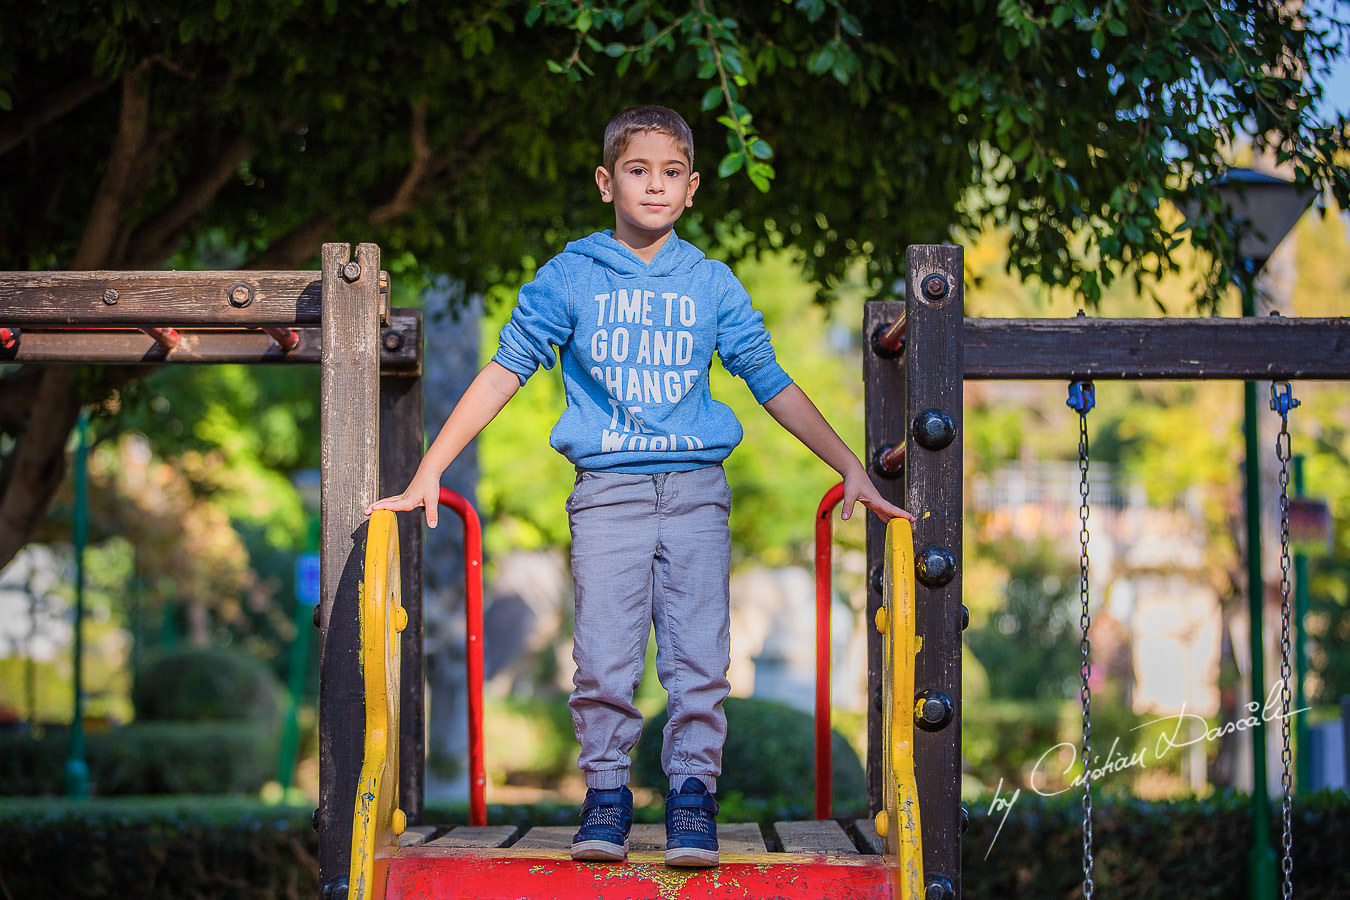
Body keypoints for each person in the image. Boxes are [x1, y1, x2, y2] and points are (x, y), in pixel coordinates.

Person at [366, 105, 912, 867]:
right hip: (608, 494)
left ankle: (692, 799)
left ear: (691, 189)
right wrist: (430, 468)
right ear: (605, 181)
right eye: (636, 169)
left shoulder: (711, 284)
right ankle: (608, 794)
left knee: (699, 659)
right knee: (603, 659)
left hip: (694, 491)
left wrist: (849, 464)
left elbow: (770, 381)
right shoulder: (571, 277)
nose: (654, 185)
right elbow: (503, 372)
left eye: (670, 173)